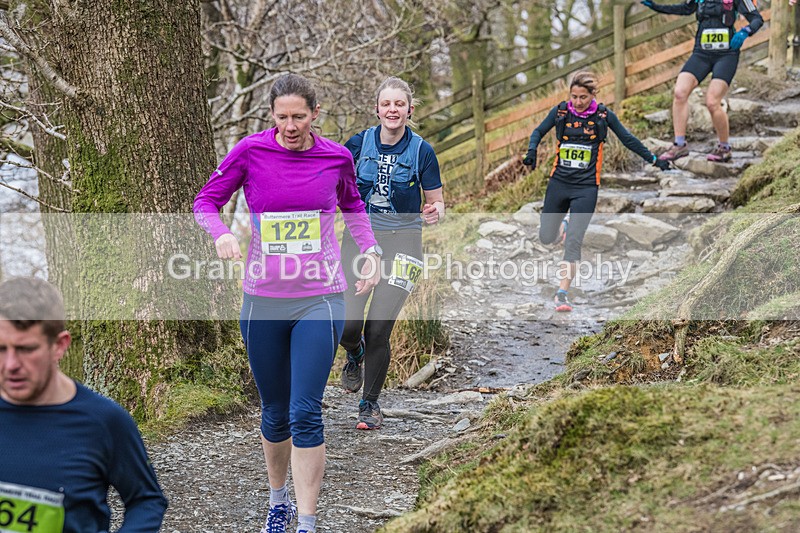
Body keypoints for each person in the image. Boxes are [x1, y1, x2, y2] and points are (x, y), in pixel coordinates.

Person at [193, 73, 380, 533]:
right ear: (271, 115)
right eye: (282, 117)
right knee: (275, 412)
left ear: (315, 113)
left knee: (305, 412)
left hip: (321, 297)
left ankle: (307, 521)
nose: (291, 126)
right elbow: (205, 202)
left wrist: (371, 251)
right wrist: (220, 234)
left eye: (299, 116)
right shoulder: (250, 151)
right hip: (264, 300)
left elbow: (354, 206)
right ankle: (278, 502)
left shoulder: (336, 157)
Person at [0, 277, 168, 533]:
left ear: (59, 346)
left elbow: (147, 501)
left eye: (26, 349)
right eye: (1, 348)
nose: (11, 364)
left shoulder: (104, 421)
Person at [338, 76, 444, 430]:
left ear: (409, 110)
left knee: (379, 328)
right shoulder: (357, 144)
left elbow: (437, 201)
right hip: (359, 239)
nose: (393, 109)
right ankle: (354, 352)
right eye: (387, 104)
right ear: (377, 109)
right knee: (347, 324)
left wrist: (435, 212)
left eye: (400, 104)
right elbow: (332, 184)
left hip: (404, 244)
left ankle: (369, 404)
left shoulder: (422, 151)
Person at [523, 71, 671, 312]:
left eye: (583, 97)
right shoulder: (561, 112)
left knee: (574, 243)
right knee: (546, 237)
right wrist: (532, 150)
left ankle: (562, 294)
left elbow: (628, 139)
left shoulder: (603, 116)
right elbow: (538, 131)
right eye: (574, 97)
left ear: (593, 95)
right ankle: (563, 226)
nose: (578, 102)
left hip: (586, 187)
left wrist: (654, 159)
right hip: (558, 183)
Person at [641, 0, 763, 162]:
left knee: (712, 102)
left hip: (726, 55)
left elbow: (757, 19)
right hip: (701, 54)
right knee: (680, 93)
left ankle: (724, 148)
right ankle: (679, 145)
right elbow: (685, 9)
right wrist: (657, 6)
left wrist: (745, 31)